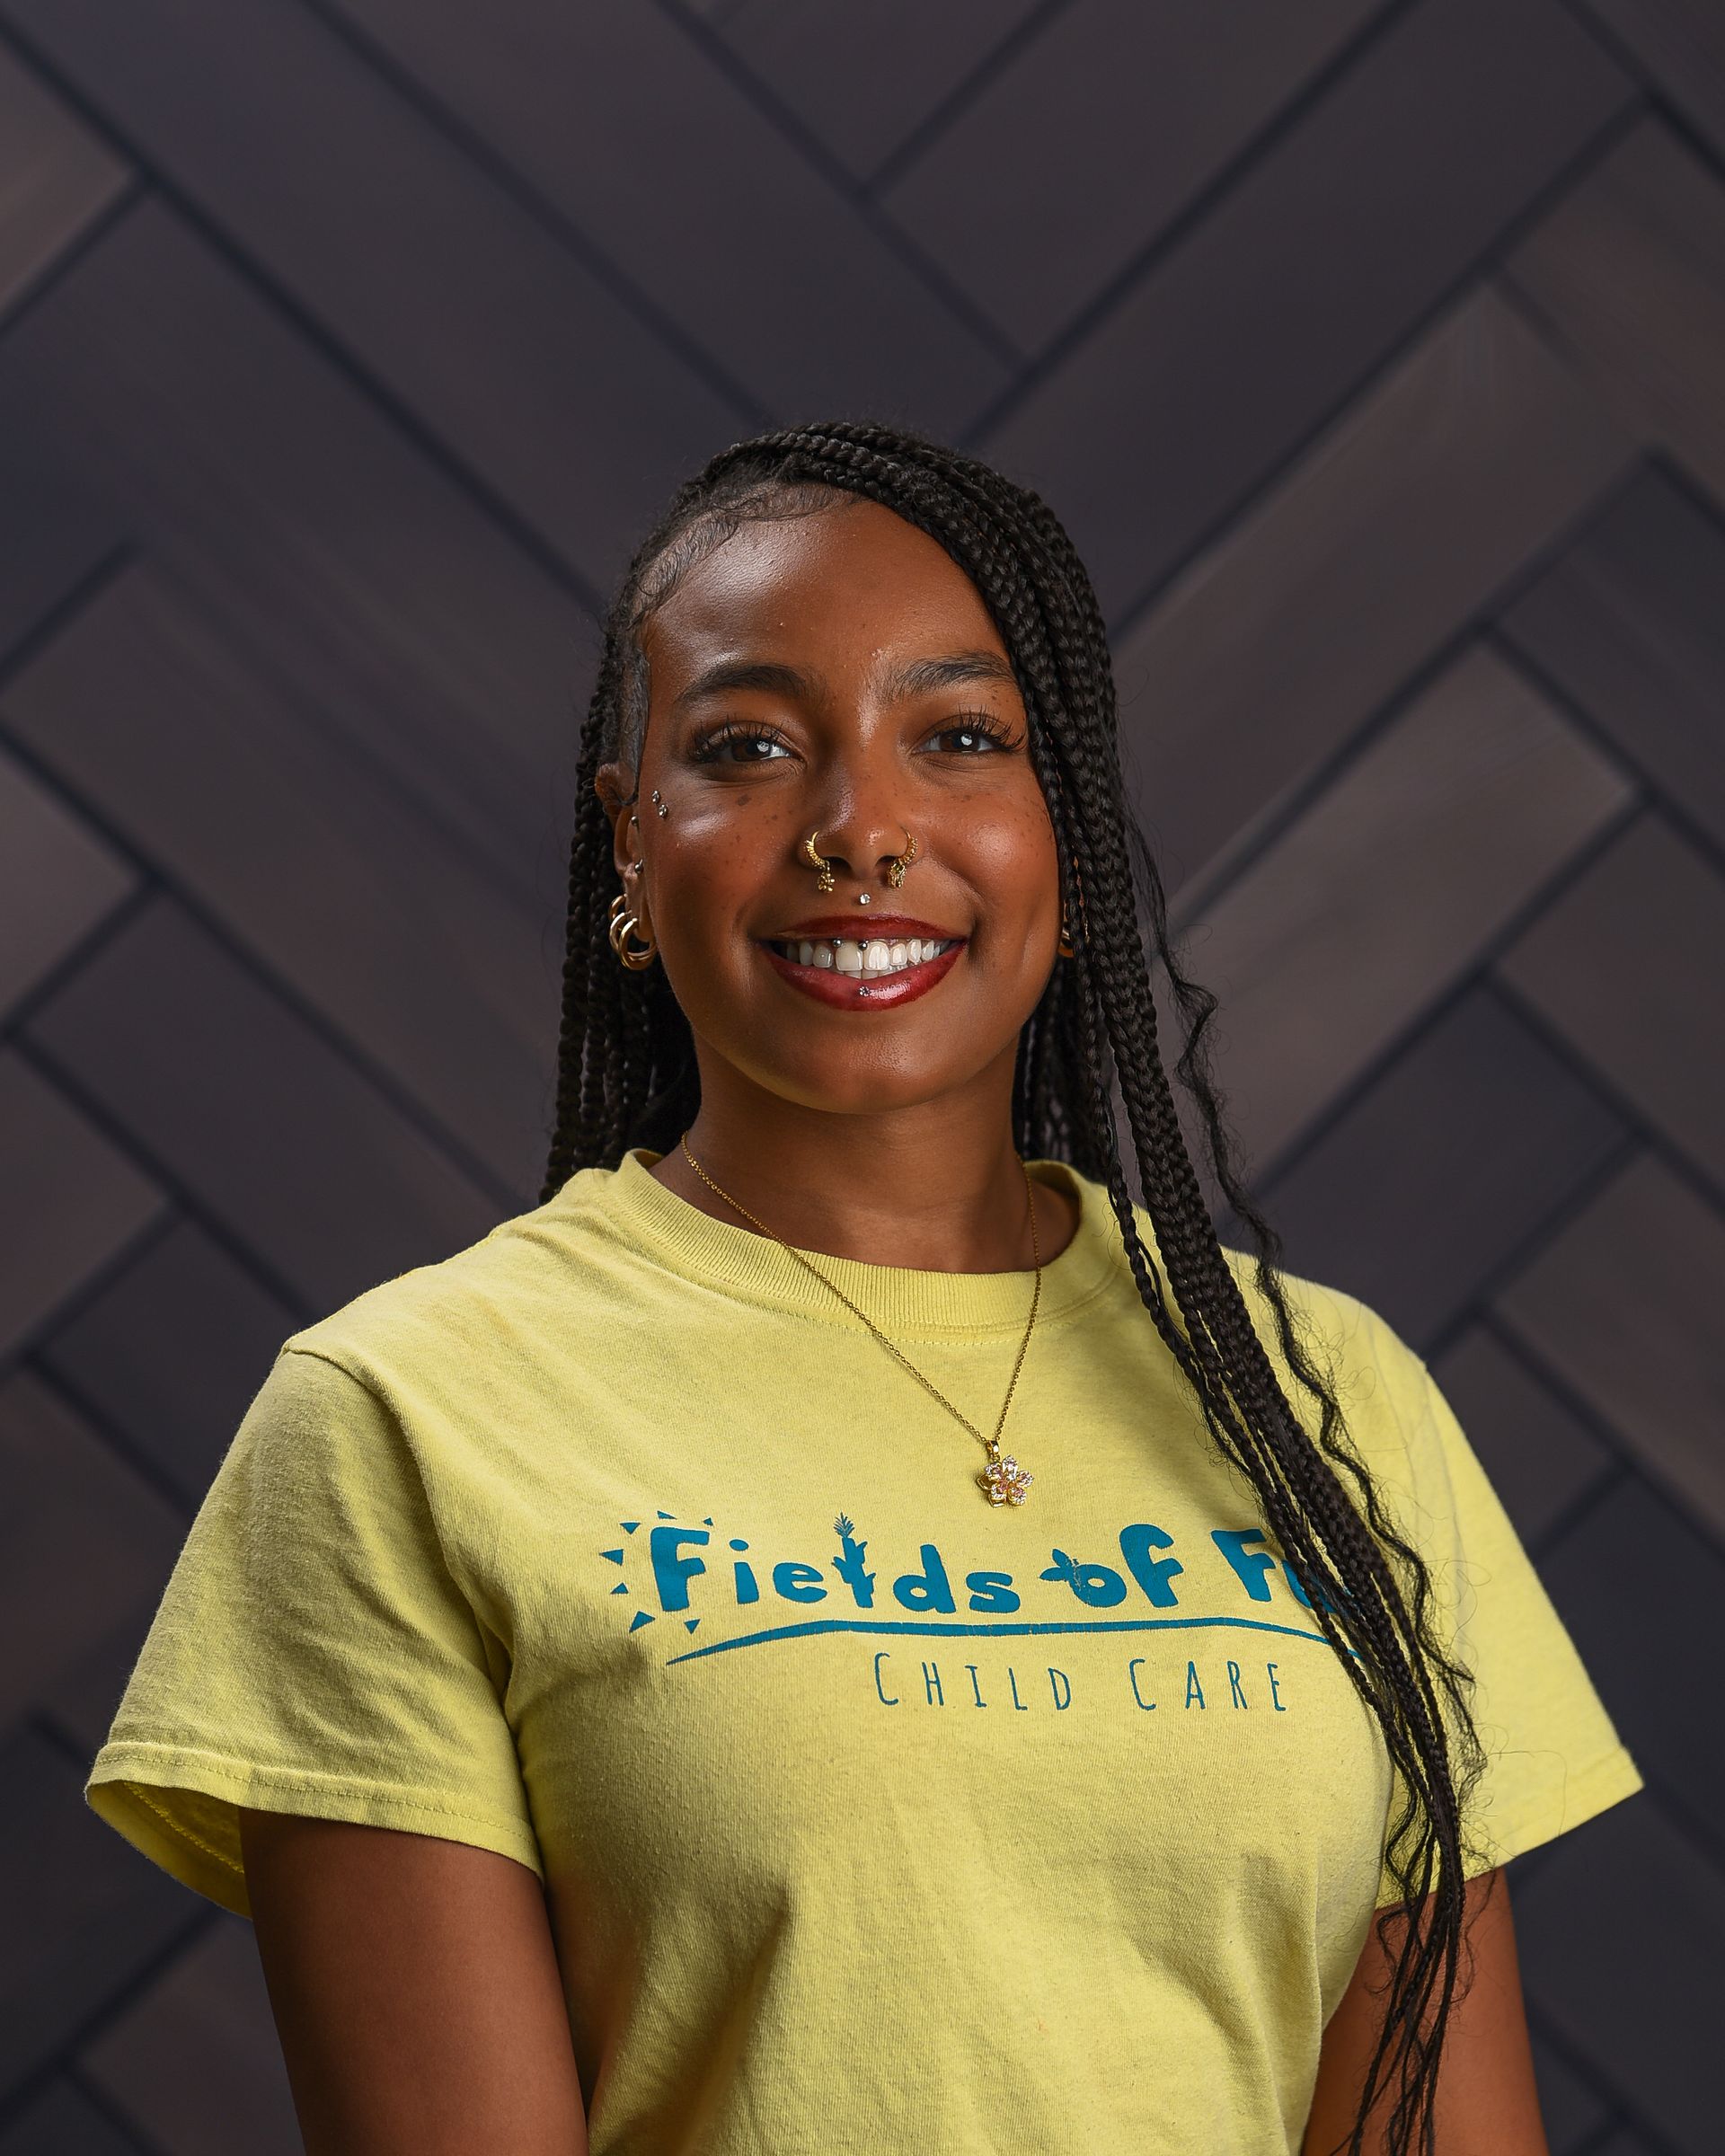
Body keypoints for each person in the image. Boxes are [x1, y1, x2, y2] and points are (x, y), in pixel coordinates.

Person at [85, 421, 1640, 2156]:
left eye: (961, 738)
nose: (861, 829)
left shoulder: (1326, 1400)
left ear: (1064, 821)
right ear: (628, 842)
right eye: (749, 748)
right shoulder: (406, 1419)